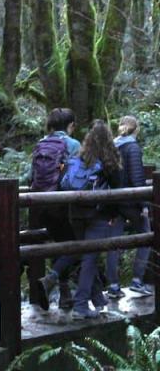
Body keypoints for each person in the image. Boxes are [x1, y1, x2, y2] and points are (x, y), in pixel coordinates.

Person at [69, 120, 122, 320]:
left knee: (86, 257)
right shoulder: (110, 162)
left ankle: (98, 299)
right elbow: (118, 190)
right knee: (90, 260)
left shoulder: (81, 156)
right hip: (97, 215)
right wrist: (113, 216)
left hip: (76, 213)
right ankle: (81, 305)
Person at [34, 108, 81, 311]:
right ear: (70, 125)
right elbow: (78, 175)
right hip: (64, 204)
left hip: (41, 203)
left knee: (58, 245)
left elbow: (31, 175)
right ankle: (51, 280)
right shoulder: (73, 144)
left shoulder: (41, 144)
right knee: (75, 245)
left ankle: (64, 295)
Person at [106, 116, 152, 298]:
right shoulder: (132, 147)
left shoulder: (112, 146)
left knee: (113, 243)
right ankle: (137, 281)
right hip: (130, 202)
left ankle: (113, 286)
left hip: (113, 202)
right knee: (146, 237)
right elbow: (137, 177)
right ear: (136, 129)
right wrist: (144, 204)